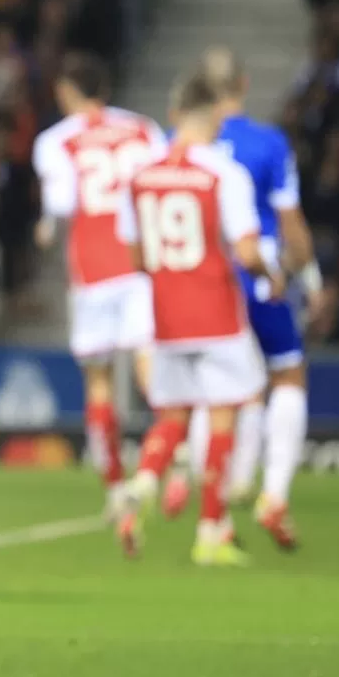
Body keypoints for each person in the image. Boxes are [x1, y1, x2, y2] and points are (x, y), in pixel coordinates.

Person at [115, 73, 281, 567]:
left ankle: (142, 483)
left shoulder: (140, 175)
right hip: (216, 313)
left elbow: (135, 257)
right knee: (225, 415)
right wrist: (270, 275)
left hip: (166, 314)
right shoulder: (222, 174)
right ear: (216, 120)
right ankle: (211, 531)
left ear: (172, 117)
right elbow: (248, 250)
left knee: (173, 416)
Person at [168, 48, 319, 551]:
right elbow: (292, 227)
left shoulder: (181, 144)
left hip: (200, 283)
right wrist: (309, 279)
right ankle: (273, 494)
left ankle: (217, 497)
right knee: (287, 372)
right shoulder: (268, 143)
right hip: (258, 275)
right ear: (244, 84)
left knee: (216, 392)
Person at [31, 53, 165, 518]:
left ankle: (113, 487)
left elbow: (62, 201)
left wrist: (46, 226)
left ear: (67, 92)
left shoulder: (56, 141)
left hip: (93, 272)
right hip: (141, 264)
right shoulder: (143, 128)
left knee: (100, 381)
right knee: (152, 365)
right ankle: (173, 450)